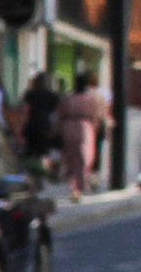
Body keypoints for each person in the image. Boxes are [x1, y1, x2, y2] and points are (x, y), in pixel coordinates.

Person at [57, 71, 110, 201]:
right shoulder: (91, 99)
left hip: (68, 126)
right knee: (84, 156)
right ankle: (79, 185)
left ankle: (73, 183)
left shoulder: (68, 97)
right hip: (84, 126)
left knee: (70, 154)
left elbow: (60, 114)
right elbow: (96, 116)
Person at [21, 72, 61, 169]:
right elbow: (56, 114)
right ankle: (43, 172)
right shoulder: (52, 96)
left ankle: (32, 172)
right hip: (45, 126)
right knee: (44, 152)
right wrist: (55, 128)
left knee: (30, 152)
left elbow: (25, 111)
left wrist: (22, 126)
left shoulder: (30, 94)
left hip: (32, 125)